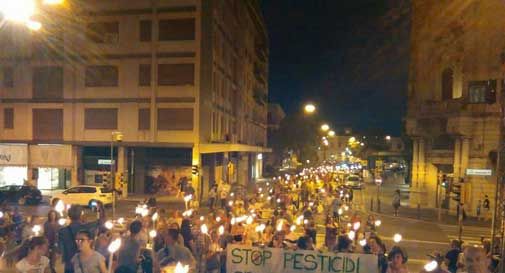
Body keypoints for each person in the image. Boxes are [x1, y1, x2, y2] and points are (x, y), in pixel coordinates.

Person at [59, 204, 105, 273]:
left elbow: (60, 250)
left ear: (69, 216)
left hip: (69, 265)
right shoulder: (87, 228)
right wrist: (101, 209)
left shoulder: (62, 231)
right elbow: (101, 221)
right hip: (85, 265)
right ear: (81, 215)